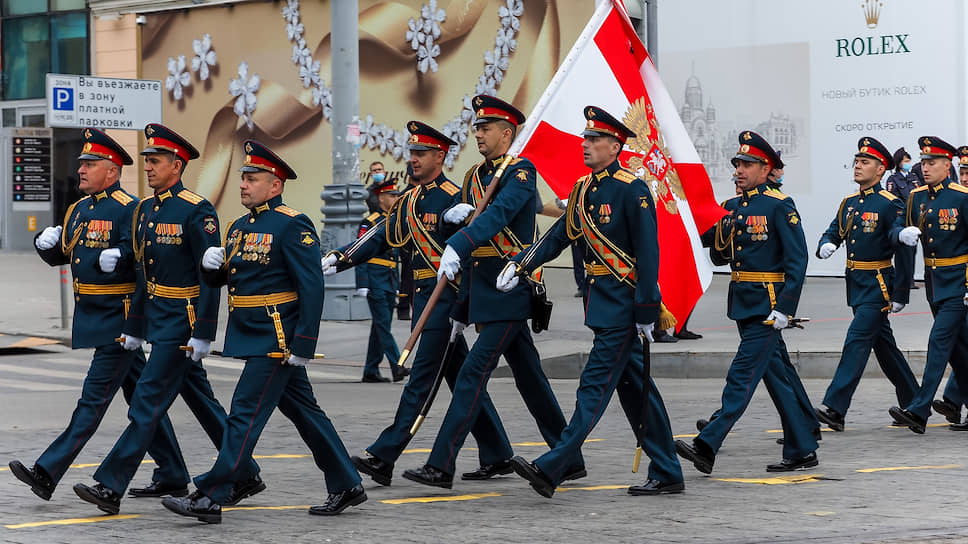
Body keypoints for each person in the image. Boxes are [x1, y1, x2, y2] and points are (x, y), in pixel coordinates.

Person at [162, 140, 364, 523]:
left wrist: (304, 342)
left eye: (252, 178)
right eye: (243, 177)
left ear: (275, 185)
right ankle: (346, 482)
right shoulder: (239, 227)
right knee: (306, 413)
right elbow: (232, 278)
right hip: (252, 332)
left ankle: (210, 494)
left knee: (243, 415)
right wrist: (211, 266)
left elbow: (311, 286)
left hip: (277, 338)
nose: (243, 184)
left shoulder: (292, 223)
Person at [72, 124, 262, 515]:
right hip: (160, 320)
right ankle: (245, 473)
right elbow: (144, 273)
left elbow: (210, 276)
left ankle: (110, 485)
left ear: (177, 166)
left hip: (184, 323)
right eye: (147, 161)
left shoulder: (197, 209)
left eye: (155, 161)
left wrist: (205, 332)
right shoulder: (145, 210)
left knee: (146, 401)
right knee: (203, 402)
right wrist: (135, 327)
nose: (149, 168)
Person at [497, 106, 683, 498]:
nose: (586, 144)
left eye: (594, 139)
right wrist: (522, 263)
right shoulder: (583, 189)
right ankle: (667, 470)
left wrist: (648, 309)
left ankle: (555, 466)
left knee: (592, 388)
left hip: (624, 308)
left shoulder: (633, 189)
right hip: (602, 305)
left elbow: (649, 253)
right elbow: (558, 237)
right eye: (585, 138)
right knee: (637, 392)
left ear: (615, 146)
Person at [322, 120, 515, 487]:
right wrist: (342, 258)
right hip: (424, 298)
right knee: (462, 381)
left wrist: (457, 222)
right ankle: (497, 452)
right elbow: (382, 236)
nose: (413, 159)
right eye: (411, 153)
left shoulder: (457, 197)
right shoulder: (409, 199)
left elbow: (476, 244)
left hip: (445, 300)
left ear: (439, 157)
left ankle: (384, 455)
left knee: (422, 379)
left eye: (421, 153)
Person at [401, 95, 578, 489]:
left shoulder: (520, 172)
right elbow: (466, 228)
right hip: (484, 291)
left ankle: (440, 464)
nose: (478, 134)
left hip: (509, 288)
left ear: (507, 133)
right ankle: (571, 456)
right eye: (476, 128)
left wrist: (458, 243)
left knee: (470, 375)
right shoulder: (472, 177)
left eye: (485, 128)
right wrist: (451, 223)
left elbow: (498, 216)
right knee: (530, 378)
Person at [9, 129, 186, 502]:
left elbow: (142, 260)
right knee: (140, 397)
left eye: (91, 164)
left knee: (93, 400)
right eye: (82, 165)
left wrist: (122, 257)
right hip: (93, 316)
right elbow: (66, 253)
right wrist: (45, 244)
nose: (82, 171)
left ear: (113, 170)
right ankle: (171, 472)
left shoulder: (130, 208)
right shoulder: (78, 208)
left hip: (119, 321)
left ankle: (48, 470)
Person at [678, 131, 819, 474]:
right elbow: (719, 253)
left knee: (742, 376)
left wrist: (786, 308)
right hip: (743, 302)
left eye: (747, 164)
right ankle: (803, 444)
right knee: (777, 376)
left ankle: (707, 443)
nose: (739, 170)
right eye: (737, 164)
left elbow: (797, 260)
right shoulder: (731, 206)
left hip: (768, 308)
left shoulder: (779, 204)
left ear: (765, 167)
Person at [813, 136, 918, 431]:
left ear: (881, 169)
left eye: (865, 162)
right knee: (885, 348)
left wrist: (901, 292)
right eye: (857, 161)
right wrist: (827, 244)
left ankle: (835, 407)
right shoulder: (848, 203)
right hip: (856, 285)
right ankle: (914, 400)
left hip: (878, 285)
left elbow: (901, 242)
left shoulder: (889, 203)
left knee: (856, 342)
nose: (858, 166)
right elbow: (833, 231)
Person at [890, 136, 968, 434]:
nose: (925, 167)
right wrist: (901, 233)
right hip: (935, 283)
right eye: (923, 162)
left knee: (938, 343)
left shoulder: (962, 197)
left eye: (931, 162)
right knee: (960, 352)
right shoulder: (917, 197)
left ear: (947, 165)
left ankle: (919, 410)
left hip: (959, 283)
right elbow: (901, 229)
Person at [356, 178, 408, 383]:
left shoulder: (392, 220)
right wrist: (362, 282)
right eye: (392, 195)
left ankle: (370, 370)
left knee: (380, 326)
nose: (395, 198)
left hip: (388, 280)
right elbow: (359, 252)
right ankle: (397, 365)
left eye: (396, 195)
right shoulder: (370, 222)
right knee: (383, 326)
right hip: (375, 279)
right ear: (381, 198)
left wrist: (396, 284)